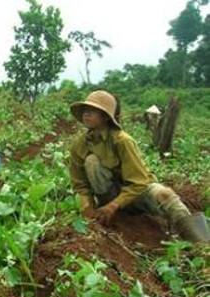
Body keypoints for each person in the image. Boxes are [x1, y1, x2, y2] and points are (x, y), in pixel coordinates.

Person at [68, 90, 208, 242]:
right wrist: (87, 209)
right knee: (92, 162)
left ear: (105, 116)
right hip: (108, 195)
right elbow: (80, 185)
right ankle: (114, 213)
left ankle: (202, 244)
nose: (86, 114)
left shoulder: (122, 141)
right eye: (85, 111)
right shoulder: (79, 145)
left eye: (92, 111)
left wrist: (114, 205)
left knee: (166, 195)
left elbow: (139, 182)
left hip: (136, 193)